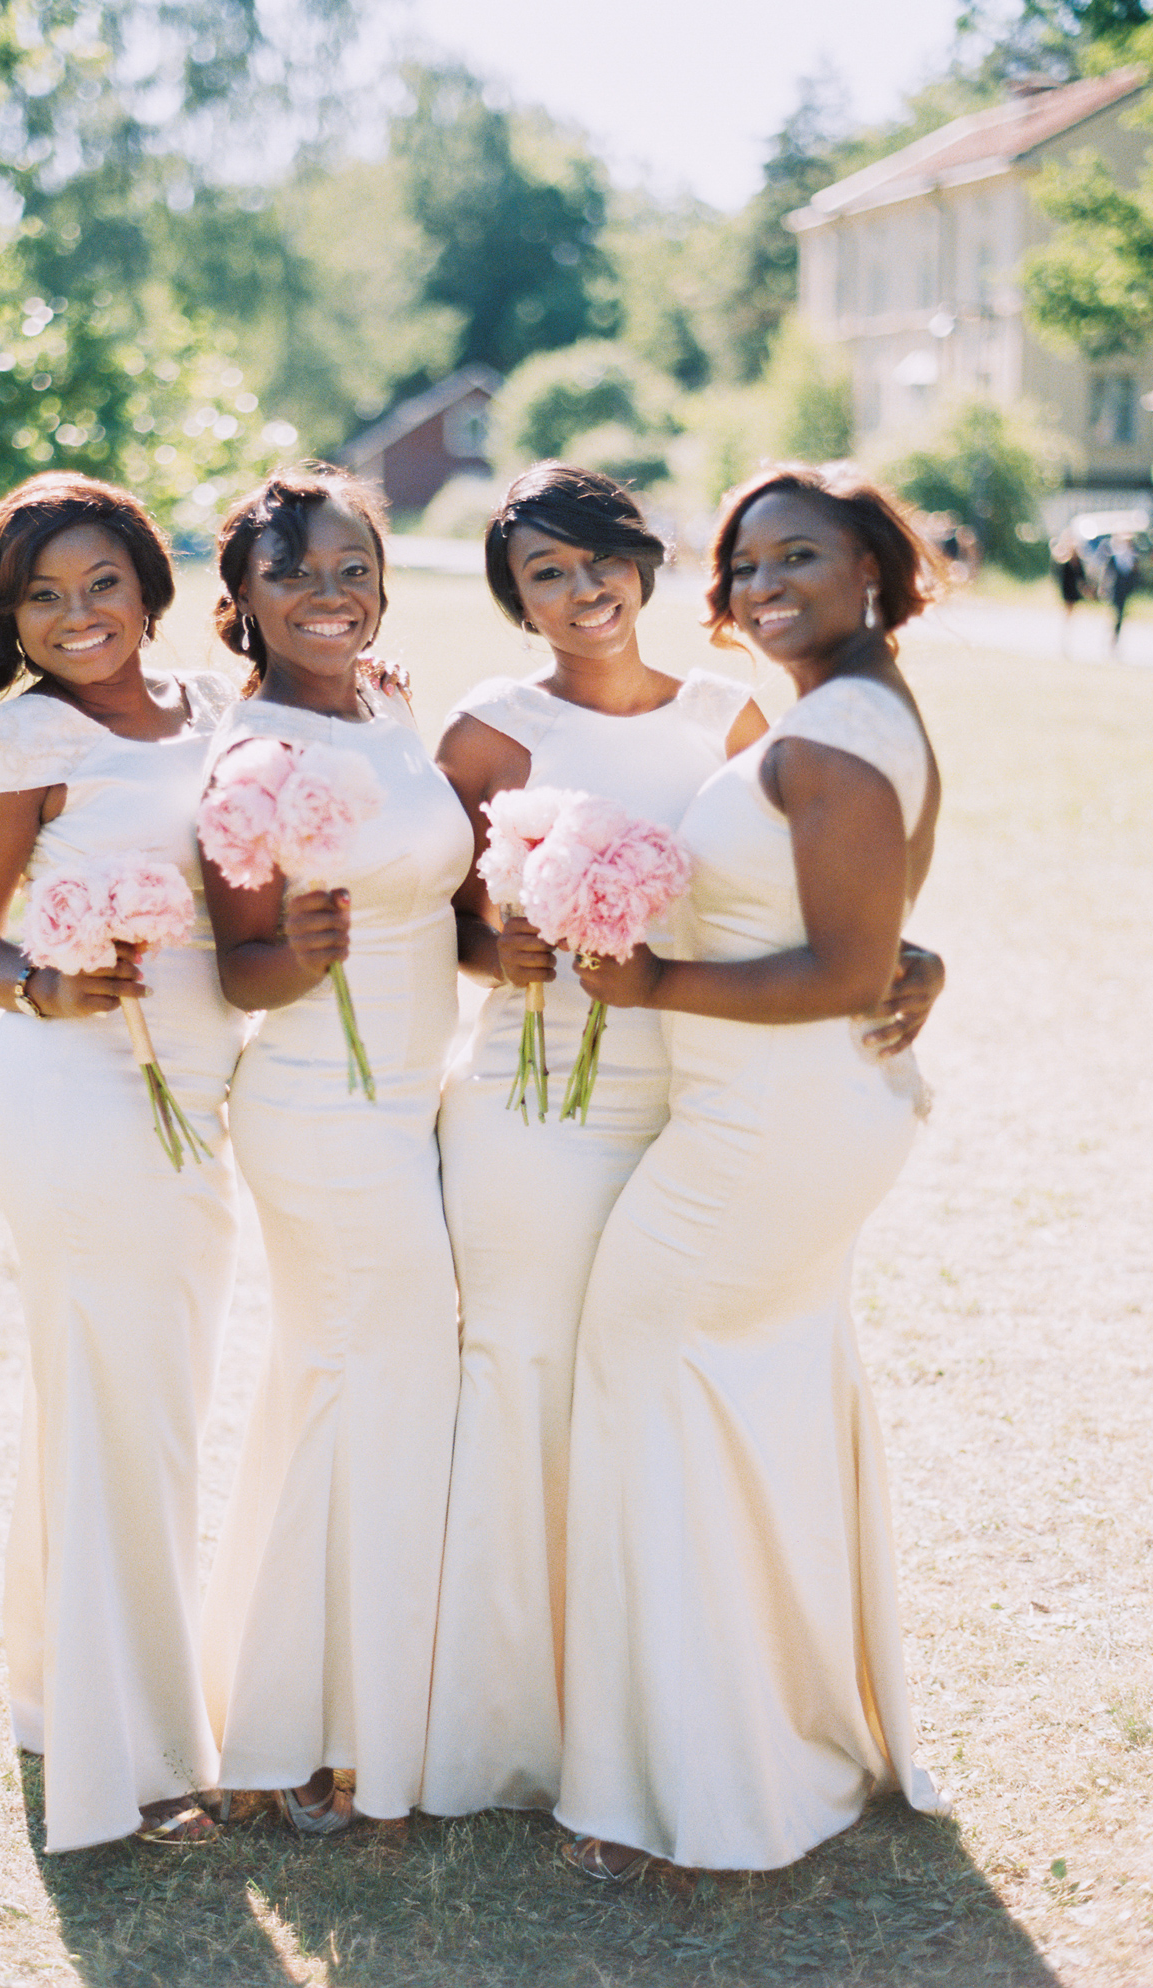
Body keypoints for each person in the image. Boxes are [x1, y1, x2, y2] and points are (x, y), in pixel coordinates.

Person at [420, 464, 942, 1820]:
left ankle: (688, 1729)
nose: (580, 587)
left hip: (699, 1105)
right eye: (544, 570)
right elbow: (429, 925)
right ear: (514, 598)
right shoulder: (488, 727)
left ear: (648, 570)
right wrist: (507, 942)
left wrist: (900, 956)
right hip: (544, 1100)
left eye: (601, 557)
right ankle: (520, 1716)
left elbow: (805, 904)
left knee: (663, 1399)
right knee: (535, 1374)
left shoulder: (749, 719)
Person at [0, 473, 245, 1853]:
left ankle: (73, 1691)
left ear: (148, 582)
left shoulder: (217, 711)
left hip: (199, 1096)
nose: (77, 616)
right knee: (117, 1399)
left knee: (145, 1400)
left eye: (101, 583)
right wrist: (43, 986)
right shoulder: (17, 745)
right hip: (72, 1088)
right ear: (11, 614)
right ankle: (139, 1754)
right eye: (42, 596)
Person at [197, 464, 474, 1834]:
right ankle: (322, 1732)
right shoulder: (251, 755)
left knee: (346, 1378)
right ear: (243, 594)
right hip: (318, 1096)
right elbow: (243, 975)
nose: (329, 592)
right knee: (385, 1371)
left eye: (352, 566)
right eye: (296, 570)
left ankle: (310, 1710)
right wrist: (290, 956)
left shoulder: (389, 704)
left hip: (416, 1089)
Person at [1106, 533, 1140, 650]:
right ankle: (1111, 635)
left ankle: (1115, 638)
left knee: (1120, 613)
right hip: (1114, 588)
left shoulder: (1133, 556)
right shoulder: (1115, 555)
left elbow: (1135, 574)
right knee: (1115, 612)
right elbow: (1108, 572)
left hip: (1125, 589)